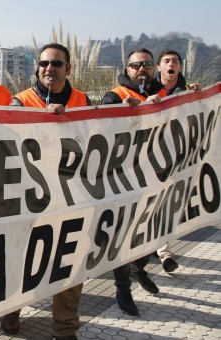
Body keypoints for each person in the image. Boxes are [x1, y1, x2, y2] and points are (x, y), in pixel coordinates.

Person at [1, 43, 91, 340]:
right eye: (43, 63)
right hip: (27, 199)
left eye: (56, 63)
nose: (49, 68)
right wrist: (43, 124)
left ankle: (65, 327)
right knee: (19, 258)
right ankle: (11, 310)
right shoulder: (20, 101)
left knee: (70, 260)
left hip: (71, 198)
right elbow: (7, 139)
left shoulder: (83, 100)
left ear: (69, 68)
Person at [101, 48, 166, 316]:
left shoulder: (163, 95)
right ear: (127, 69)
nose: (142, 69)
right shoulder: (115, 96)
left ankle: (139, 268)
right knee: (124, 234)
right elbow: (100, 127)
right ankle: (122, 287)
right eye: (136, 65)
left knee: (154, 226)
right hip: (124, 178)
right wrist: (122, 113)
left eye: (148, 64)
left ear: (154, 68)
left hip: (157, 175)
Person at [152, 49, 204, 273]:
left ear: (180, 67)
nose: (171, 64)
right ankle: (158, 252)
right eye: (166, 61)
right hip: (151, 159)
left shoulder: (188, 93)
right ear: (159, 68)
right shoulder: (149, 91)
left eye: (175, 61)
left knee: (167, 205)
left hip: (177, 159)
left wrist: (200, 98)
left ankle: (162, 251)